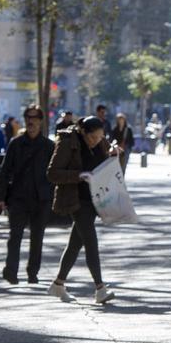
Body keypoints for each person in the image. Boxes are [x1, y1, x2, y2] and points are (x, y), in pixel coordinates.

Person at [46, 116, 121, 304]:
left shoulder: (100, 142)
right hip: (76, 200)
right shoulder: (67, 142)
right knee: (90, 241)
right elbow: (52, 173)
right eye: (93, 138)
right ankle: (100, 288)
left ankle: (58, 284)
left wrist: (115, 154)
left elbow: (108, 168)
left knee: (75, 244)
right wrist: (79, 175)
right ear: (83, 132)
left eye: (100, 137)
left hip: (95, 200)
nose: (96, 141)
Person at [0, 105, 54, 285]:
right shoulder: (15, 143)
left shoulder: (49, 146)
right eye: (28, 117)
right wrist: (0, 198)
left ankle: (32, 273)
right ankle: (11, 271)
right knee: (15, 236)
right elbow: (4, 172)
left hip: (41, 199)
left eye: (35, 117)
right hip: (18, 198)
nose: (31, 121)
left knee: (37, 238)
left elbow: (55, 173)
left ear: (41, 121)